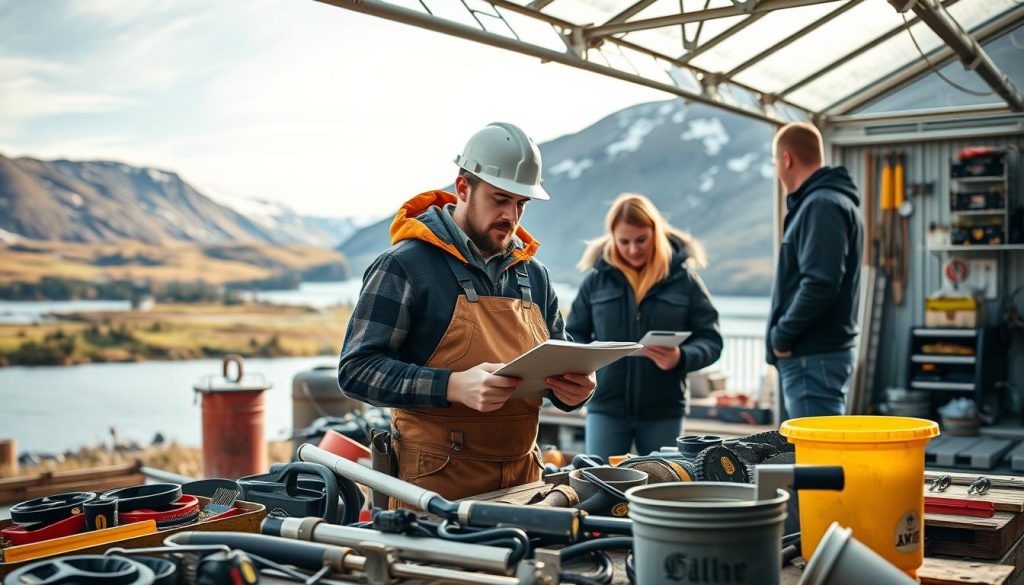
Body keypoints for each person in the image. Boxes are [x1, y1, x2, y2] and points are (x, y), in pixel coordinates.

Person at [337, 122, 596, 504]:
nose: (511, 215)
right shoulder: (404, 265)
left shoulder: (534, 276)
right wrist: (452, 386)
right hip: (434, 487)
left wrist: (576, 391)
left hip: (524, 481)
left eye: (521, 204)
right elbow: (355, 371)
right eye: (500, 199)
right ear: (463, 188)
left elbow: (560, 357)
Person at [566, 193, 723, 459]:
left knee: (664, 487)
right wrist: (587, 360)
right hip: (605, 407)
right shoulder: (595, 282)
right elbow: (572, 335)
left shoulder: (685, 281)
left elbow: (711, 340)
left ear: (656, 233)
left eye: (641, 240)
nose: (633, 249)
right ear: (612, 238)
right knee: (599, 485)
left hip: (663, 411)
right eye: (623, 241)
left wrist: (681, 357)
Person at [767, 122, 864, 420]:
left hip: (812, 357)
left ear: (786, 159)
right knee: (815, 455)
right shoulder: (827, 201)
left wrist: (782, 337)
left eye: (775, 162)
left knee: (816, 460)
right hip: (816, 357)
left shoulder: (821, 205)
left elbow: (820, 284)